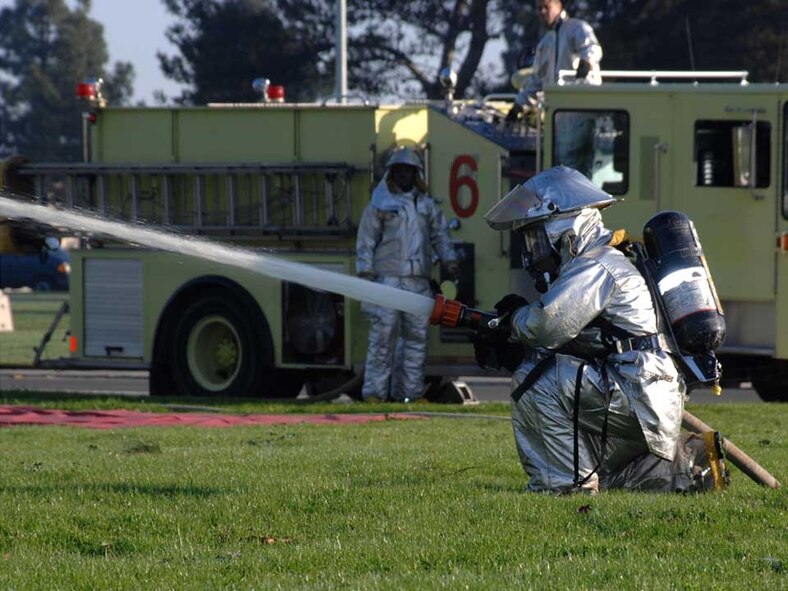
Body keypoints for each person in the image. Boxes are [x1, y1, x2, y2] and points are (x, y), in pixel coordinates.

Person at [477, 166, 726, 494]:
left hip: (639, 395)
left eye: (537, 238)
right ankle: (689, 469)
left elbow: (546, 326)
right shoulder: (601, 262)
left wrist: (513, 321)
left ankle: (564, 487)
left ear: (567, 229)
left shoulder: (596, 264)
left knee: (535, 380)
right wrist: (516, 331)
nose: (532, 252)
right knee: (598, 471)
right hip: (645, 394)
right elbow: (576, 339)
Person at [356, 146, 459, 403]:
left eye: (408, 171)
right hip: (387, 281)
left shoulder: (426, 206)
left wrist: (450, 260)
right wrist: (366, 273)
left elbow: (440, 235)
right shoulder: (379, 205)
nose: (403, 175)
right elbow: (366, 240)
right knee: (382, 339)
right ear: (391, 173)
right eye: (399, 171)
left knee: (415, 340)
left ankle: (409, 395)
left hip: (418, 282)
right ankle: (374, 394)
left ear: (416, 174)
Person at [506, 0, 603, 178]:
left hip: (581, 111)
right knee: (564, 168)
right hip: (559, 118)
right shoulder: (546, 43)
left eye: (546, 6)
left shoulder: (576, 28)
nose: (543, 11)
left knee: (583, 168)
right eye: (538, 8)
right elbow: (536, 82)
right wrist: (518, 106)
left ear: (559, 5)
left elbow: (592, 48)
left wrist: (587, 61)